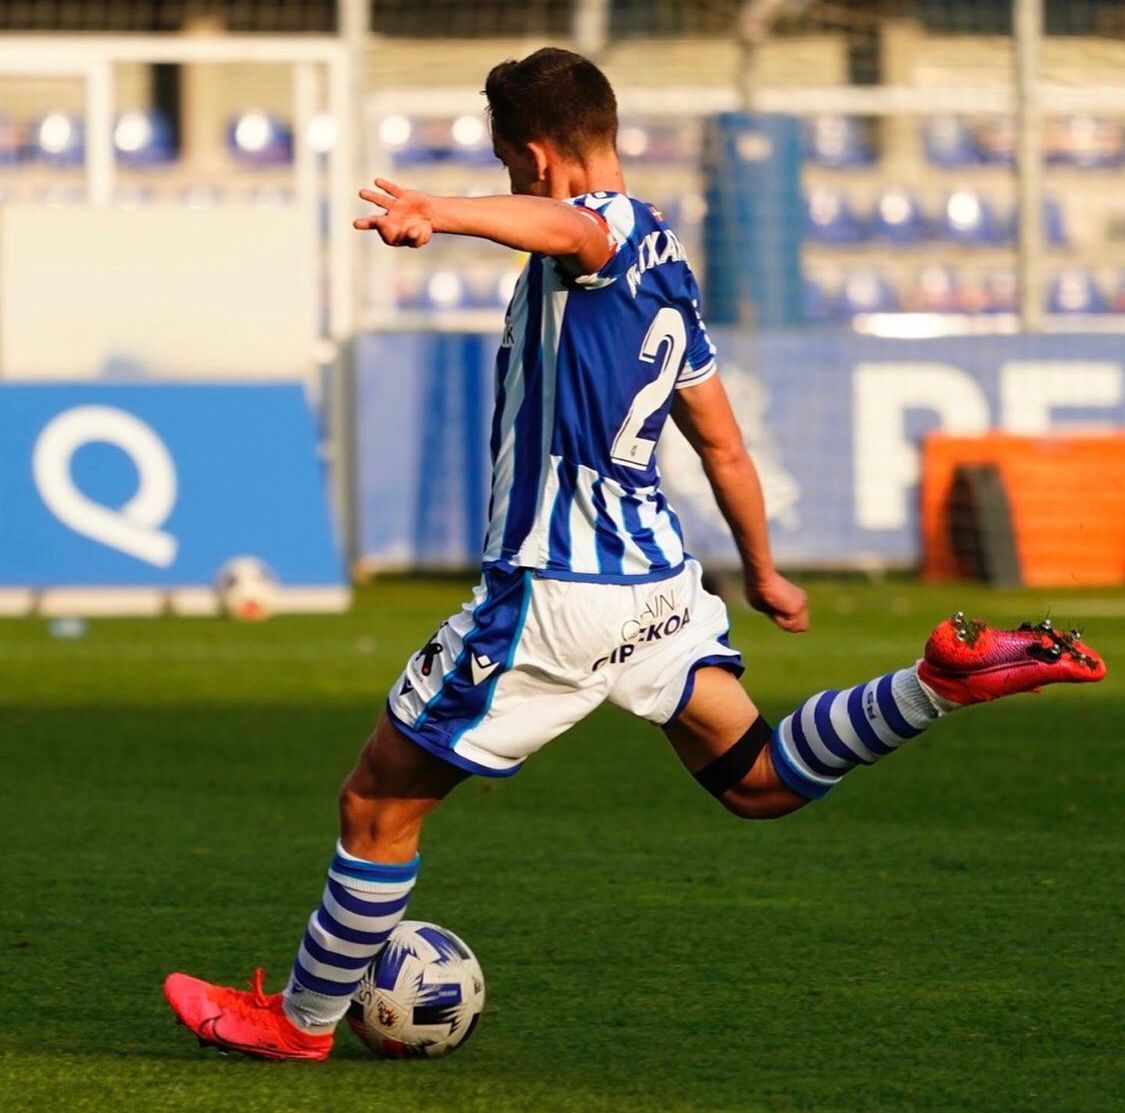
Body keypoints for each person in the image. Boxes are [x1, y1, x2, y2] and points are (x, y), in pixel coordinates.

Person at [163, 48, 1106, 1061]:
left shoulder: (602, 227)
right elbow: (724, 443)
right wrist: (766, 566)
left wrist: (441, 209)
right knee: (758, 778)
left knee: (377, 800)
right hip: (658, 584)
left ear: (535, 157)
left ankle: (300, 1023)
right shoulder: (672, 269)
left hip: (556, 593)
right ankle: (933, 685)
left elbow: (568, 225)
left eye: (514, 172)